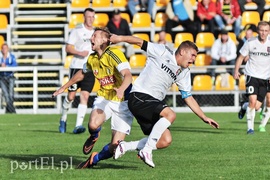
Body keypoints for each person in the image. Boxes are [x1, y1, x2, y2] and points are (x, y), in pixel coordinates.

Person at [109, 35, 220, 168]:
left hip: (150, 103)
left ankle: (125, 146)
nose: (194, 59)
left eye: (195, 57)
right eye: (192, 55)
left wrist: (204, 117)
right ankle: (147, 150)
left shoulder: (184, 72)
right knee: (170, 115)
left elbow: (188, 97)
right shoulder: (162, 51)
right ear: (182, 51)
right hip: (139, 95)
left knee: (165, 140)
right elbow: (139, 41)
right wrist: (119, 38)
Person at [52, 27, 134, 169]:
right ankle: (94, 136)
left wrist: (121, 90)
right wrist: (65, 86)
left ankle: (94, 159)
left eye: (95, 36)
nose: (91, 38)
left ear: (104, 39)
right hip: (104, 97)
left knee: (115, 148)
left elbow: (128, 75)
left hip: (123, 102)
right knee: (92, 125)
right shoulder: (92, 58)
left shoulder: (115, 54)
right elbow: (82, 73)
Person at [234, 21, 270, 134]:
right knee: (252, 100)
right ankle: (250, 128)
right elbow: (241, 57)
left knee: (256, 107)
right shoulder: (250, 42)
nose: (263, 33)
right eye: (261, 30)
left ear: (269, 31)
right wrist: (236, 70)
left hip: (265, 78)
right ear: (258, 31)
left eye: (266, 31)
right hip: (252, 75)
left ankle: (244, 106)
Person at [58, 8, 95, 134]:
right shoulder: (77, 31)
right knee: (71, 96)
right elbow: (68, 48)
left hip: (90, 68)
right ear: (84, 17)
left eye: (93, 17)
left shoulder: (96, 32)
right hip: (76, 67)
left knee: (85, 96)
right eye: (89, 16)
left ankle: (78, 125)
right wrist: (80, 52)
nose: (91, 19)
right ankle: (63, 118)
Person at [0, 43, 17, 114]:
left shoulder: (11, 56)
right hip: (2, 77)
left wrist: (6, 66)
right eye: (3, 48)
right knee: (6, 95)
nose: (4, 50)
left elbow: (15, 65)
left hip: (10, 77)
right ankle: (12, 110)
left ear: (8, 49)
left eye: (5, 48)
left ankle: (9, 110)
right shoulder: (0, 57)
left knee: (11, 94)